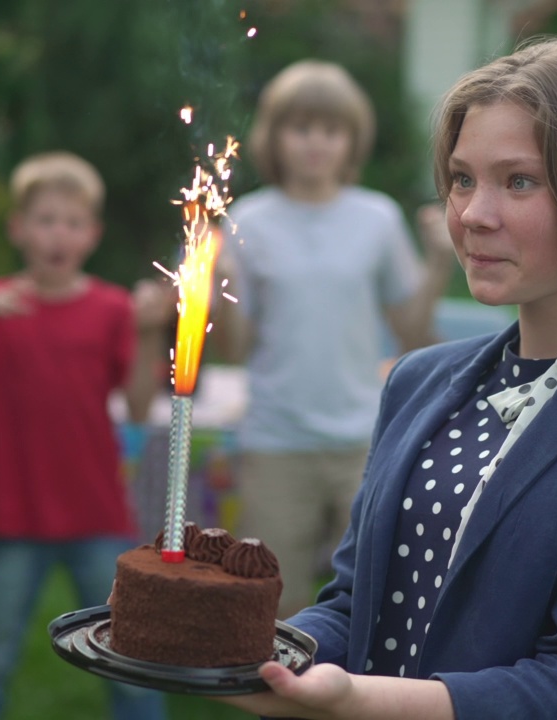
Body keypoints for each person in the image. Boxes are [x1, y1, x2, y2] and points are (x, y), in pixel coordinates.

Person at [218, 38, 557, 719]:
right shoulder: (420, 381)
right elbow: (358, 609)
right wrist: (239, 654)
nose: (472, 213)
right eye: (463, 178)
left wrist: (356, 701)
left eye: (519, 181)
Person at [0, 151, 168, 720]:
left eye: (73, 222)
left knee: (129, 663)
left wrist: (149, 334)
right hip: (15, 519)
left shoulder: (110, 309)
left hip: (98, 517)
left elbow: (136, 408)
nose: (59, 233)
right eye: (46, 219)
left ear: (93, 235)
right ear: (18, 228)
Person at [212, 59, 458, 618]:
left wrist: (440, 264)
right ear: (274, 136)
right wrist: (222, 288)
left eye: (331, 129)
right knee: (272, 603)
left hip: (364, 441)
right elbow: (234, 349)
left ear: (353, 140)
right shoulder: (249, 219)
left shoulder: (376, 218)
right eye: (301, 128)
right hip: (275, 440)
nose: (316, 142)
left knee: (376, 594)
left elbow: (410, 333)